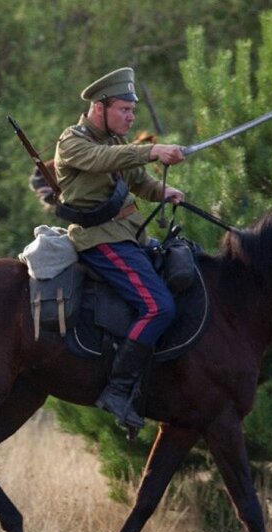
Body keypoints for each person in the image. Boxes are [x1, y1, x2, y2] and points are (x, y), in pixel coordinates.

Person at [53, 66, 185, 432]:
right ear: (100, 107)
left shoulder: (115, 143)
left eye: (132, 111)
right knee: (159, 306)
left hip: (129, 235)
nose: (130, 117)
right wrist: (151, 150)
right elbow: (103, 161)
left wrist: (165, 192)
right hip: (100, 240)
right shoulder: (73, 141)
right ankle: (119, 389)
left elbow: (139, 182)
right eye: (124, 110)